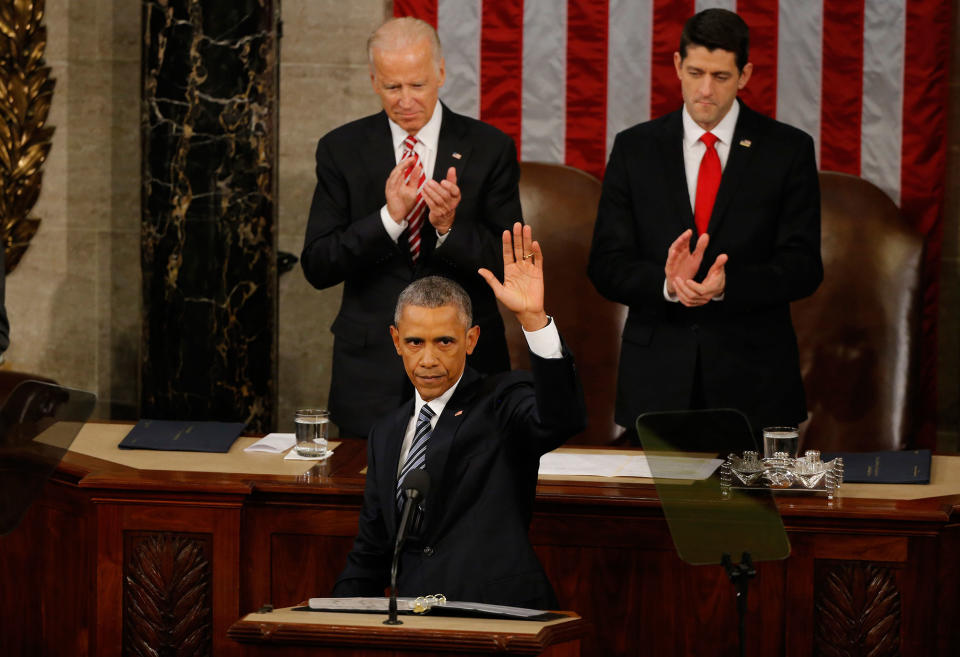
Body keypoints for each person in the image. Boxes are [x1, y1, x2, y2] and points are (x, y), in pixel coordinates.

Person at [588, 8, 823, 437]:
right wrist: (666, 283)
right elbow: (606, 264)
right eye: (695, 73)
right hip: (656, 386)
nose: (705, 90)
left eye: (720, 76)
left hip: (755, 385)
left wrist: (728, 284)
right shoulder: (635, 149)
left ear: (745, 74)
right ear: (677, 66)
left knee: (752, 507)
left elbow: (804, 267)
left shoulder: (786, 151)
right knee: (652, 508)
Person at [333, 223, 586, 609]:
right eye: (415, 342)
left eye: (445, 342)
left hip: (498, 617)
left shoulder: (502, 401)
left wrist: (534, 320)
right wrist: (332, 623)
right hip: (417, 623)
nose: (429, 359)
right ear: (396, 341)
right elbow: (371, 553)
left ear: (470, 341)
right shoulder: (386, 432)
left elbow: (561, 419)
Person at [301, 17, 521, 438]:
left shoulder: (490, 148)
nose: (405, 100)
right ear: (373, 81)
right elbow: (318, 264)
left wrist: (450, 227)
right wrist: (389, 219)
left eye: (417, 85)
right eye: (392, 87)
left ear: (440, 72)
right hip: (370, 374)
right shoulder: (340, 149)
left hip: (467, 367)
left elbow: (510, 263)